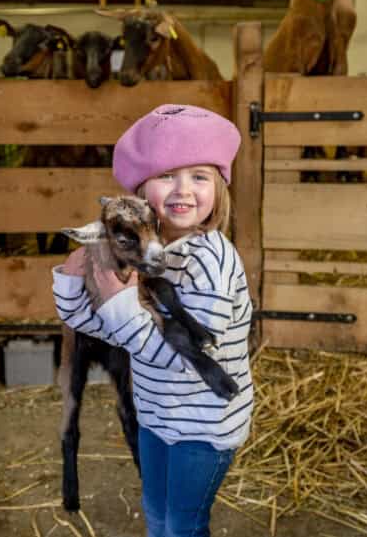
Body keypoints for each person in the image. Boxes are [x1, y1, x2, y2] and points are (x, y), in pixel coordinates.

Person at [53, 103, 254, 537]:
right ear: (141, 194)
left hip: (205, 426)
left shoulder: (212, 261)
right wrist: (72, 283)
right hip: (157, 416)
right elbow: (106, 327)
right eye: (166, 176)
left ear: (219, 189)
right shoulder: (146, 251)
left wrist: (119, 299)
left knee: (183, 525)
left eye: (199, 177)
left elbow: (182, 358)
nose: (182, 190)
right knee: (158, 515)